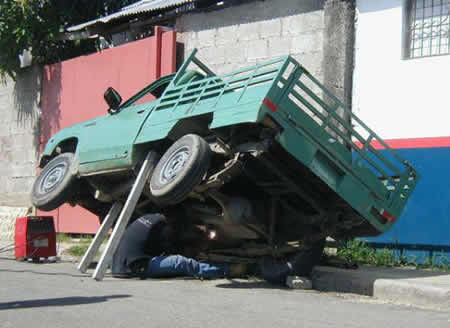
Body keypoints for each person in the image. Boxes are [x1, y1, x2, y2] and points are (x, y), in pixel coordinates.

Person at [111, 213, 245, 279]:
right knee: (180, 262)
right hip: (137, 267)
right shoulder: (161, 225)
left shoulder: (149, 219)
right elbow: (169, 248)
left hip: (122, 266)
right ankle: (228, 270)